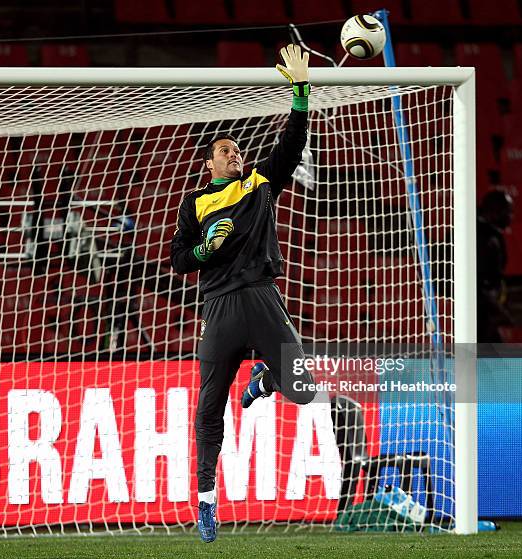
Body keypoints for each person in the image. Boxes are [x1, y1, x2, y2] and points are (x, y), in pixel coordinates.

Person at [170, 44, 316, 543]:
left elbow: (291, 146)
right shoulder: (195, 204)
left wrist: (299, 94)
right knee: (208, 409)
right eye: (225, 151)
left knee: (303, 388)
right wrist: (204, 251)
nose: (235, 155)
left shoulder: (259, 184)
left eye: (237, 150)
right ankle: (206, 501)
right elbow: (179, 260)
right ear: (209, 162)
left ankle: (264, 381)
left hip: (260, 296)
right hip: (218, 308)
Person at [477, 189, 513, 343]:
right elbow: (478, 283)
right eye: (508, 211)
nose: (511, 216)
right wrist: (497, 310)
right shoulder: (484, 239)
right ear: (494, 211)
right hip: (480, 312)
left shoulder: (489, 235)